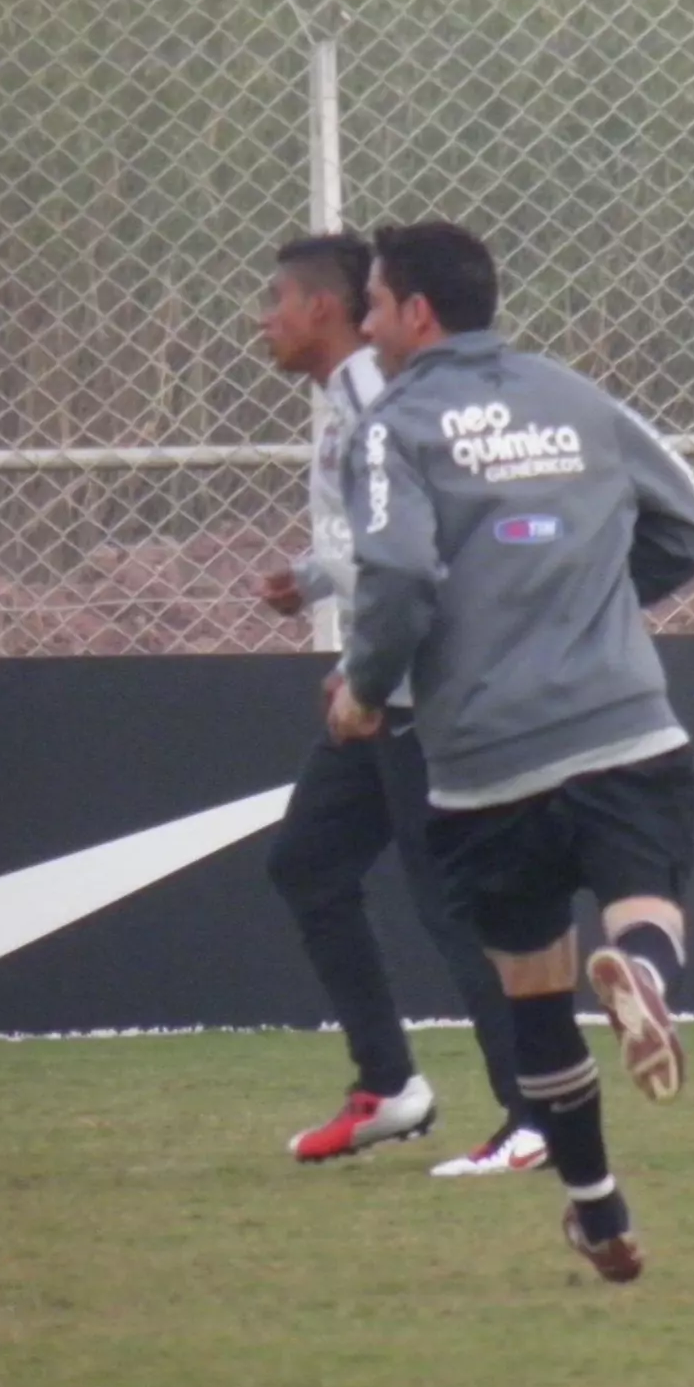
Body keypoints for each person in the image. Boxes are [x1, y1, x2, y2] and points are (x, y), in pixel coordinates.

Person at [328, 220, 694, 1283]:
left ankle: (598, 1212)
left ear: (415, 313)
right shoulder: (578, 397)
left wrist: (365, 688)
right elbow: (687, 526)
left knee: (532, 986)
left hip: (486, 757)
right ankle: (639, 973)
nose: (363, 327)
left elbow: (399, 579)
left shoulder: (393, 426)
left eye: (370, 305)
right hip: (620, 719)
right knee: (646, 908)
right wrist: (591, 609)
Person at [255, 231, 546, 1178]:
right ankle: (389, 1085)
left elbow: (415, 552)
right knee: (307, 863)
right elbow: (370, 544)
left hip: (416, 691)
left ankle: (535, 1114)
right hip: (378, 685)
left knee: (451, 902)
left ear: (324, 312)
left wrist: (369, 669)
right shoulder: (347, 404)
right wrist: (311, 582)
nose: (264, 319)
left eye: (276, 301)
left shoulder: (382, 402)